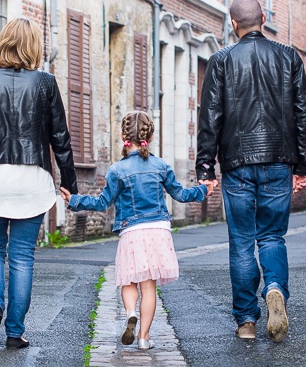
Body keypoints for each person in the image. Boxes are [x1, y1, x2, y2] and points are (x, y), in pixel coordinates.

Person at [195, 0, 306, 343]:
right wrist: (302, 164)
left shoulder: (220, 62)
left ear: (234, 24)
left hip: (237, 165)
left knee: (242, 242)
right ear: (264, 18)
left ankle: (246, 320)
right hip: (279, 160)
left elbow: (210, 118)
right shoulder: (290, 57)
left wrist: (206, 169)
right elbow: (303, 114)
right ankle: (275, 287)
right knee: (272, 236)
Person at [0, 17, 78, 349]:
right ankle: (14, 332)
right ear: (34, 47)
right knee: (22, 257)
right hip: (32, 179)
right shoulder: (46, 82)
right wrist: (70, 184)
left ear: (3, 42)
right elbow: (61, 139)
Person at [67, 111, 209, 349]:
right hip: (158, 231)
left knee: (128, 281)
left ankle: (130, 311)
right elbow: (181, 195)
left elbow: (102, 203)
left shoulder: (116, 170)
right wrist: (203, 190)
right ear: (150, 136)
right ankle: (144, 338)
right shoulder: (161, 166)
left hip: (132, 232)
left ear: (123, 136)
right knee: (148, 286)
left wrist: (74, 200)